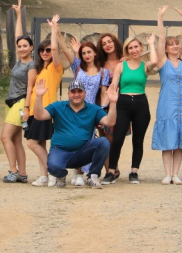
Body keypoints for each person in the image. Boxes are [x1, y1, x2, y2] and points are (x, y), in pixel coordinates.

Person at [32, 78, 120, 189]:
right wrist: (39, 97)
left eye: (79, 91)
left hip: (83, 152)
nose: (76, 94)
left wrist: (113, 102)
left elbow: (110, 121)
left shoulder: (93, 109)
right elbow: (39, 115)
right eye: (73, 92)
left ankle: (93, 176)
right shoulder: (58, 106)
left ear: (85, 93)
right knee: (53, 166)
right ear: (68, 94)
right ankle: (61, 175)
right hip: (60, 150)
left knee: (103, 142)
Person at [151, 3, 182, 184]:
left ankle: (176, 174)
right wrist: (160, 17)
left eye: (176, 44)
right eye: (172, 45)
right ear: (166, 48)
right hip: (167, 105)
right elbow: (161, 39)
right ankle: (167, 173)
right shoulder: (163, 62)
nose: (175, 46)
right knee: (168, 139)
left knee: (180, 140)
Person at [61, 26, 110, 185]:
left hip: (90, 110)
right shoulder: (78, 67)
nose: (87, 55)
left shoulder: (103, 72)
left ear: (95, 53)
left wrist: (101, 111)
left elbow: (103, 93)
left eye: (89, 52)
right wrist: (56, 30)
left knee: (87, 140)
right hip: (74, 108)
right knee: (74, 140)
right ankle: (75, 172)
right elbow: (65, 51)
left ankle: (84, 172)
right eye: (83, 53)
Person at [106, 34, 153, 185]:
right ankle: (111, 171)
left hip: (141, 103)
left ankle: (134, 171)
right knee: (117, 139)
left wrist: (151, 44)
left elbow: (156, 61)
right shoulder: (121, 65)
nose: (134, 50)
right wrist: (110, 101)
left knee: (138, 141)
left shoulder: (145, 66)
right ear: (127, 50)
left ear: (141, 48)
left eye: (136, 47)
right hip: (123, 102)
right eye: (130, 48)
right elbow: (114, 86)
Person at [26, 15, 65, 186]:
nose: (45, 53)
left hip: (47, 110)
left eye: (47, 50)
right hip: (36, 110)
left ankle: (55, 170)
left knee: (32, 143)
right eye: (42, 50)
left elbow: (56, 50)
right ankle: (44, 176)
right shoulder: (41, 69)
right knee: (39, 142)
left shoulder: (56, 67)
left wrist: (53, 30)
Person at [1, 0, 36, 183]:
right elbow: (18, 36)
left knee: (4, 136)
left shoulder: (31, 64)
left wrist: (28, 108)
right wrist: (18, 15)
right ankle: (22, 173)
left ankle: (13, 171)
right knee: (15, 140)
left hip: (21, 103)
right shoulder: (18, 61)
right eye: (20, 46)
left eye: (25, 46)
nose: (22, 48)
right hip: (10, 102)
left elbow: (30, 87)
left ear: (31, 48)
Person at [96, 31, 124, 180]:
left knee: (117, 139)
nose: (107, 45)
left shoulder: (124, 60)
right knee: (106, 139)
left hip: (123, 105)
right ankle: (110, 170)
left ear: (115, 42)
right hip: (105, 104)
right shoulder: (100, 64)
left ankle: (113, 166)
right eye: (104, 43)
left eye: (109, 41)